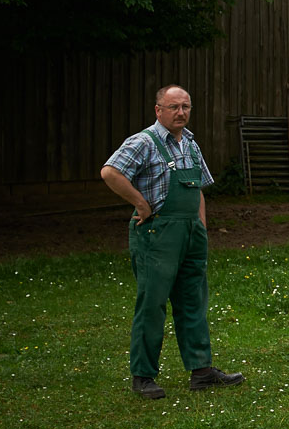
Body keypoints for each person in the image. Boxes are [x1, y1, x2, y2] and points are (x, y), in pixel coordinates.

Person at [100, 84, 244, 399]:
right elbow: (110, 172)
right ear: (158, 110)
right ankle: (143, 376)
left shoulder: (190, 144)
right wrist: (140, 204)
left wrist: (201, 225)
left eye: (186, 107)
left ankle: (202, 370)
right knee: (152, 304)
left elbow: (198, 188)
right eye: (174, 107)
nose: (181, 113)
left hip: (191, 234)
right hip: (157, 234)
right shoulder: (143, 142)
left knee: (193, 300)